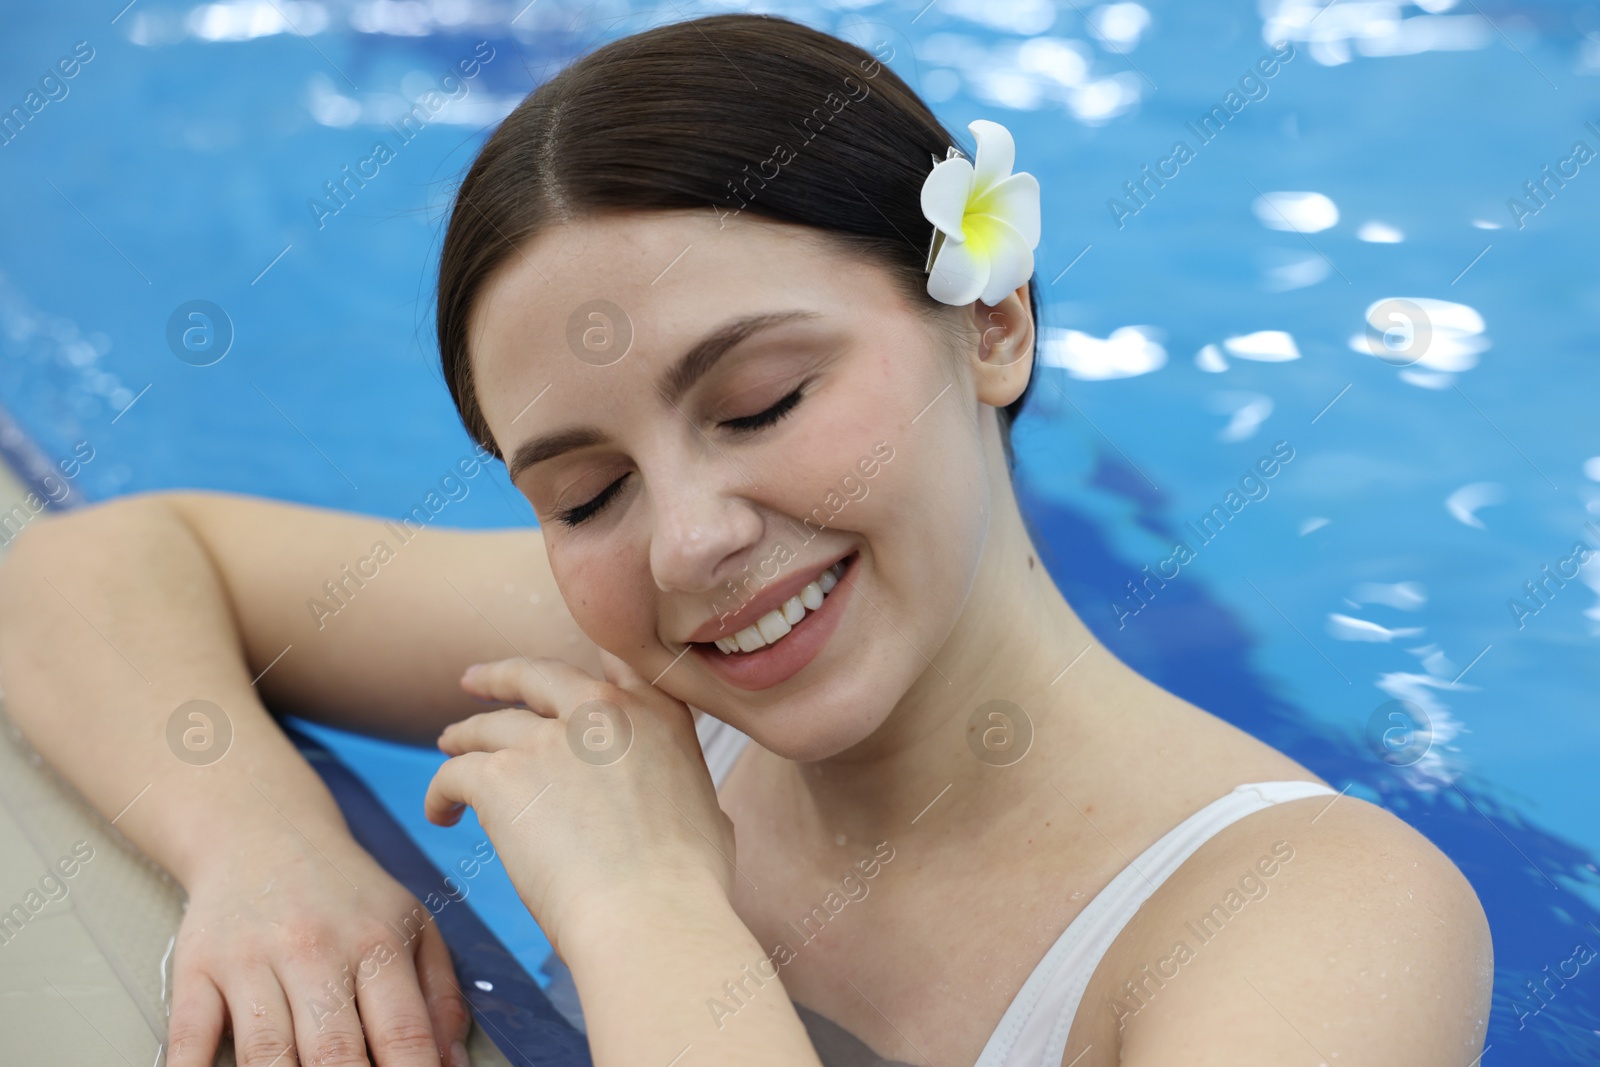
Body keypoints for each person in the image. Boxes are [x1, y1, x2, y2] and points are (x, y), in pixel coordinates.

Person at [0, 13, 1491, 1067]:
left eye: (764, 402)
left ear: (992, 322)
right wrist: (266, 852)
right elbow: (83, 571)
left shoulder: (1320, 921)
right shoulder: (660, 672)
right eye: (584, 496)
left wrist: (644, 912)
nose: (691, 545)